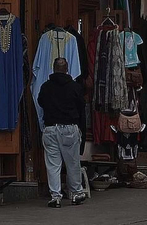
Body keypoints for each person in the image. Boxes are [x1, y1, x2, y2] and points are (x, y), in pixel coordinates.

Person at [37, 57, 88, 207]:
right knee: (72, 163)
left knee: (53, 164)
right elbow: (81, 107)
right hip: (69, 129)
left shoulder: (46, 87)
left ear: (53, 69)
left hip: (50, 128)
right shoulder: (75, 87)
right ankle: (76, 193)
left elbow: (41, 102)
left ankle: (55, 196)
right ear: (67, 69)